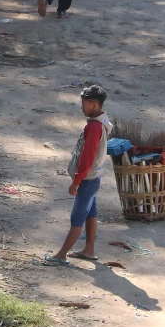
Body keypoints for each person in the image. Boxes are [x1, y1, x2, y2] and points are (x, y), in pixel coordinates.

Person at [43, 85, 112, 266]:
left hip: (88, 179)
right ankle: (88, 250)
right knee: (90, 213)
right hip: (93, 177)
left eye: (84, 104)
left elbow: (87, 155)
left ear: (94, 105)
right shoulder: (100, 122)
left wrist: (77, 180)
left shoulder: (95, 127)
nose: (81, 107)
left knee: (77, 217)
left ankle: (61, 254)